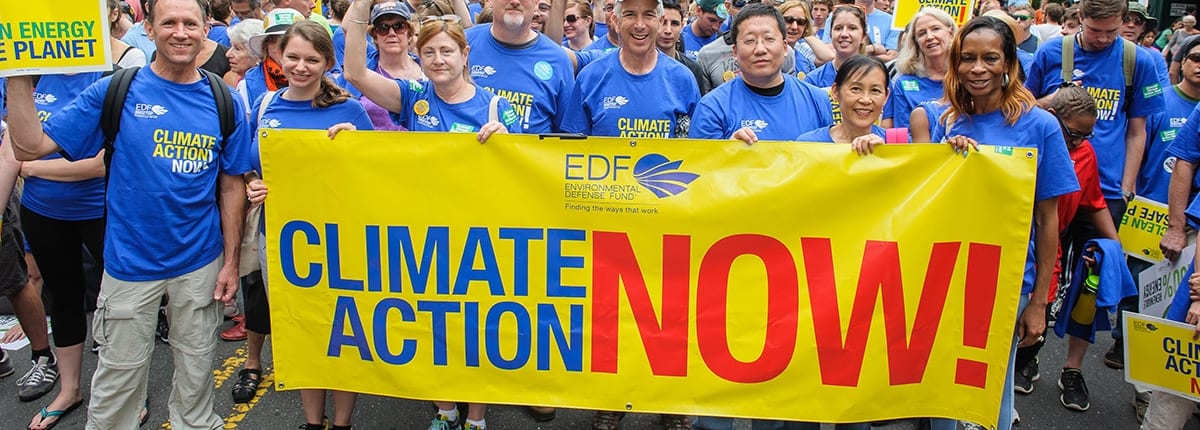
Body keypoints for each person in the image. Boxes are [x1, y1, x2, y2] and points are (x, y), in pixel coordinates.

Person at [5, 0, 254, 429]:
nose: (180, 32)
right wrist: (18, 74)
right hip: (129, 264)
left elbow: (232, 186)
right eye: (169, 22)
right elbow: (31, 146)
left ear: (205, 30)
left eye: (190, 23)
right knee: (118, 380)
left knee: (197, 371)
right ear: (149, 29)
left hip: (200, 262)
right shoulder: (115, 90)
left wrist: (231, 262)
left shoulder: (224, 100)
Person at [345, 4, 518, 429]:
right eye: (429, 53)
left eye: (446, 51)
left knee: (477, 332)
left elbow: (527, 175)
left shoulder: (497, 106)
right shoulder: (414, 98)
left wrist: (510, 141)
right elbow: (355, 73)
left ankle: (476, 417)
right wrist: (361, 6)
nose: (438, 60)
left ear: (464, 54)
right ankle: (445, 409)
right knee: (432, 326)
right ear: (418, 57)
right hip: (426, 237)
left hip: (481, 239)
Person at [933, 15, 1079, 430]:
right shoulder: (948, 123)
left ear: (1009, 64)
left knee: (991, 388)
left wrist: (1038, 303)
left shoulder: (1040, 125)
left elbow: (1048, 221)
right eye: (968, 58)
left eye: (990, 58)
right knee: (940, 385)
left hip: (1007, 279)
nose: (977, 68)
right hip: (946, 275)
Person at [1027, 0, 1166, 380]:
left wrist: (1126, 185)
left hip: (1103, 189)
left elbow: (1137, 130)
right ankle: (1030, 352)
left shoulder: (1139, 60)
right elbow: (1022, 109)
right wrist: (1052, 100)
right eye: (1095, 30)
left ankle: (1073, 367)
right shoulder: (1052, 52)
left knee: (1092, 281)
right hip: (1051, 186)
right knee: (1043, 271)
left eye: (1112, 31)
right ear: (1080, 19)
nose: (1103, 39)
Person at [245, 20, 374, 429]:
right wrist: (253, 185)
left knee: (344, 333)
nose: (300, 67)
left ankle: (343, 423)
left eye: (312, 59)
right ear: (278, 56)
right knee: (301, 332)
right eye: (293, 57)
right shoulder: (265, 105)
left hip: (340, 242)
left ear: (327, 62)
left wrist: (357, 145)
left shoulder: (350, 110)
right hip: (280, 241)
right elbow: (249, 166)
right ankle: (313, 422)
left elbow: (377, 173)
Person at [692, 4, 832, 146]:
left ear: (785, 47)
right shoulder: (711, 107)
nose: (760, 49)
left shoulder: (817, 100)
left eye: (769, 39)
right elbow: (699, 158)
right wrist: (727, 151)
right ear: (735, 52)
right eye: (749, 41)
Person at [462, 0, 575, 133]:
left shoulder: (557, 59)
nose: (515, 2)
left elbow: (568, 135)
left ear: (536, 2)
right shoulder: (463, 44)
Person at [337, 1, 424, 131]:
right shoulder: (360, 69)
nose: (392, 33)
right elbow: (347, 28)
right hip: (368, 142)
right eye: (383, 28)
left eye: (399, 26)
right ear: (375, 36)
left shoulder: (428, 70)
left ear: (410, 33)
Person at [796, 55, 887, 155]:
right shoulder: (808, 145)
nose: (865, 100)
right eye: (855, 89)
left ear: (886, 96)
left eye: (875, 90)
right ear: (835, 92)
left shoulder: (896, 143)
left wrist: (888, 153)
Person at [881, 7, 954, 129]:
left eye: (935, 29)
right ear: (916, 42)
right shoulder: (903, 83)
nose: (929, 37)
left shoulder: (965, 77)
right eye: (922, 33)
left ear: (950, 33)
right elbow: (903, 131)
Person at [804, 4, 866, 88]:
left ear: (863, 36)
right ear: (830, 35)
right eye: (838, 28)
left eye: (852, 28)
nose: (844, 34)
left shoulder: (876, 76)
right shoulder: (814, 80)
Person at [657, 0, 710, 94]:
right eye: (663, 22)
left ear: (682, 26)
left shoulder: (693, 69)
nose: (668, 30)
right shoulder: (639, 66)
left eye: (675, 24)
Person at [819, 0, 897, 61]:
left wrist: (848, 54)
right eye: (839, 28)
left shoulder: (890, 20)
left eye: (852, 28)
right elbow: (827, 51)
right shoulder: (837, 15)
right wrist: (873, 48)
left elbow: (892, 56)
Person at [778, 0, 834, 72]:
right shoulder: (769, 54)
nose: (794, 27)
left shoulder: (803, 56)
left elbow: (829, 57)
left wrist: (807, 33)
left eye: (801, 22)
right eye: (789, 20)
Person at [225, 19, 265, 91]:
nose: (228, 54)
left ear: (258, 54)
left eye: (237, 49)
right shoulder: (230, 79)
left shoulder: (266, 87)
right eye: (231, 46)